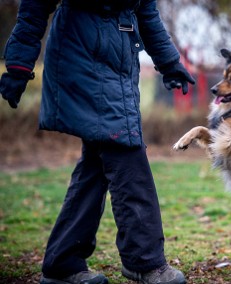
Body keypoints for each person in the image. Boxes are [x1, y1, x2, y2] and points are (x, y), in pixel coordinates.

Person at [0, 0, 195, 283]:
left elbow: (147, 13)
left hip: (119, 59)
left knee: (96, 164)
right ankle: (144, 260)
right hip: (79, 55)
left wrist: (170, 63)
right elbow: (34, 7)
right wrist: (18, 65)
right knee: (125, 151)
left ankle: (62, 263)